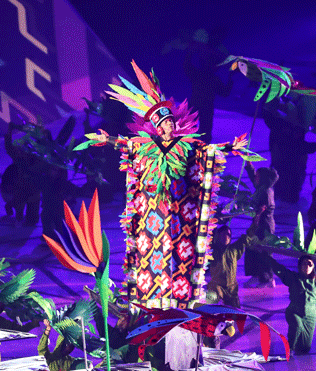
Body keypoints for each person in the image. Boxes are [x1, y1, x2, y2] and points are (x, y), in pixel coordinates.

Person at [91, 61, 248, 309]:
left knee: (182, 248)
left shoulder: (185, 144)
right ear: (156, 126)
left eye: (171, 122)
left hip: (180, 203)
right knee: (152, 247)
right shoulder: (147, 145)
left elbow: (207, 150)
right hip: (154, 205)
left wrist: (231, 148)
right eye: (164, 123)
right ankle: (151, 293)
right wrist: (106, 139)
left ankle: (182, 292)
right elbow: (127, 145)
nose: (169, 126)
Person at [208, 214, 261, 308]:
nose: (226, 236)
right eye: (223, 234)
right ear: (218, 236)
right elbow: (206, 234)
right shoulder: (212, 250)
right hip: (216, 287)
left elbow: (248, 235)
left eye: (228, 234)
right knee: (215, 309)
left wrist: (258, 216)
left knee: (236, 315)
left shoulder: (234, 250)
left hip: (232, 289)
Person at [243, 166, 278, 287]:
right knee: (253, 248)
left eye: (258, 176)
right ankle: (256, 275)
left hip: (265, 226)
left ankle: (266, 279)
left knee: (263, 252)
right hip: (258, 224)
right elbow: (253, 177)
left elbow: (260, 208)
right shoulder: (261, 188)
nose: (255, 178)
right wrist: (249, 165)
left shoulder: (266, 192)